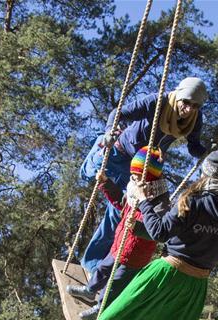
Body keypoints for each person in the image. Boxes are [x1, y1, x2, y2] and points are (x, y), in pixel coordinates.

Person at [82, 148, 218, 320]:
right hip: (196, 284)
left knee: (127, 308)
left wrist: (143, 201)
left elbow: (160, 231)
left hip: (168, 271)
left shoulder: (193, 199)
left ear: (205, 172)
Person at [79, 77, 209, 274]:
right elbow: (118, 113)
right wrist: (109, 131)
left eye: (195, 106)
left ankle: (93, 264)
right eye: (186, 102)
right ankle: (97, 145)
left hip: (137, 170)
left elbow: (194, 146)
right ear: (179, 95)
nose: (189, 109)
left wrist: (207, 152)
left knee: (118, 212)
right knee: (88, 173)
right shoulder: (157, 101)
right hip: (119, 151)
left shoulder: (194, 119)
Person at [67, 146, 169, 320]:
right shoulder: (135, 189)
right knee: (102, 269)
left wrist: (137, 227)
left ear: (148, 178)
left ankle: (100, 308)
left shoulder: (160, 201)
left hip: (135, 255)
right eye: (133, 175)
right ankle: (90, 290)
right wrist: (106, 183)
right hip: (119, 244)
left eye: (137, 176)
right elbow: (121, 203)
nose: (133, 178)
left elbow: (158, 230)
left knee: (114, 284)